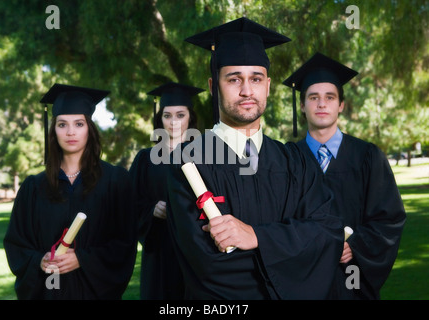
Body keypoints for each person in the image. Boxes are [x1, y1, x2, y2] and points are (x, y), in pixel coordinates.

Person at [165, 17, 345, 300]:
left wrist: (257, 237)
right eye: (234, 79)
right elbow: (208, 266)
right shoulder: (188, 163)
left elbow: (328, 232)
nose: (247, 90)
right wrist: (289, 248)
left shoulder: (295, 160)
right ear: (214, 86)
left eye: (256, 79)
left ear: (268, 86)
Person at [282, 52, 406, 299]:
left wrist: (356, 246)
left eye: (330, 97)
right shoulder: (287, 159)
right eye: (313, 97)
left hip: (353, 281)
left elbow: (389, 219)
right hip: (304, 282)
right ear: (303, 105)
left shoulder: (368, 157)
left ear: (340, 105)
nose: (321, 104)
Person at [3, 83, 138, 299]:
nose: (71, 132)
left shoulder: (115, 181)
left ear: (89, 129)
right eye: (62, 124)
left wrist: (82, 259)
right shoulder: (33, 187)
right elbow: (16, 243)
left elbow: (125, 243)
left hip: (94, 293)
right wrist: (40, 260)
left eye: (79, 123)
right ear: (53, 130)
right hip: (50, 291)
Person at [128, 82, 204, 299]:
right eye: (167, 115)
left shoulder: (204, 156)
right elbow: (130, 205)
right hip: (159, 251)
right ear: (160, 119)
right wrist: (151, 210)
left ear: (190, 117)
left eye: (180, 115)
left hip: (196, 249)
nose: (173, 122)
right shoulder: (145, 159)